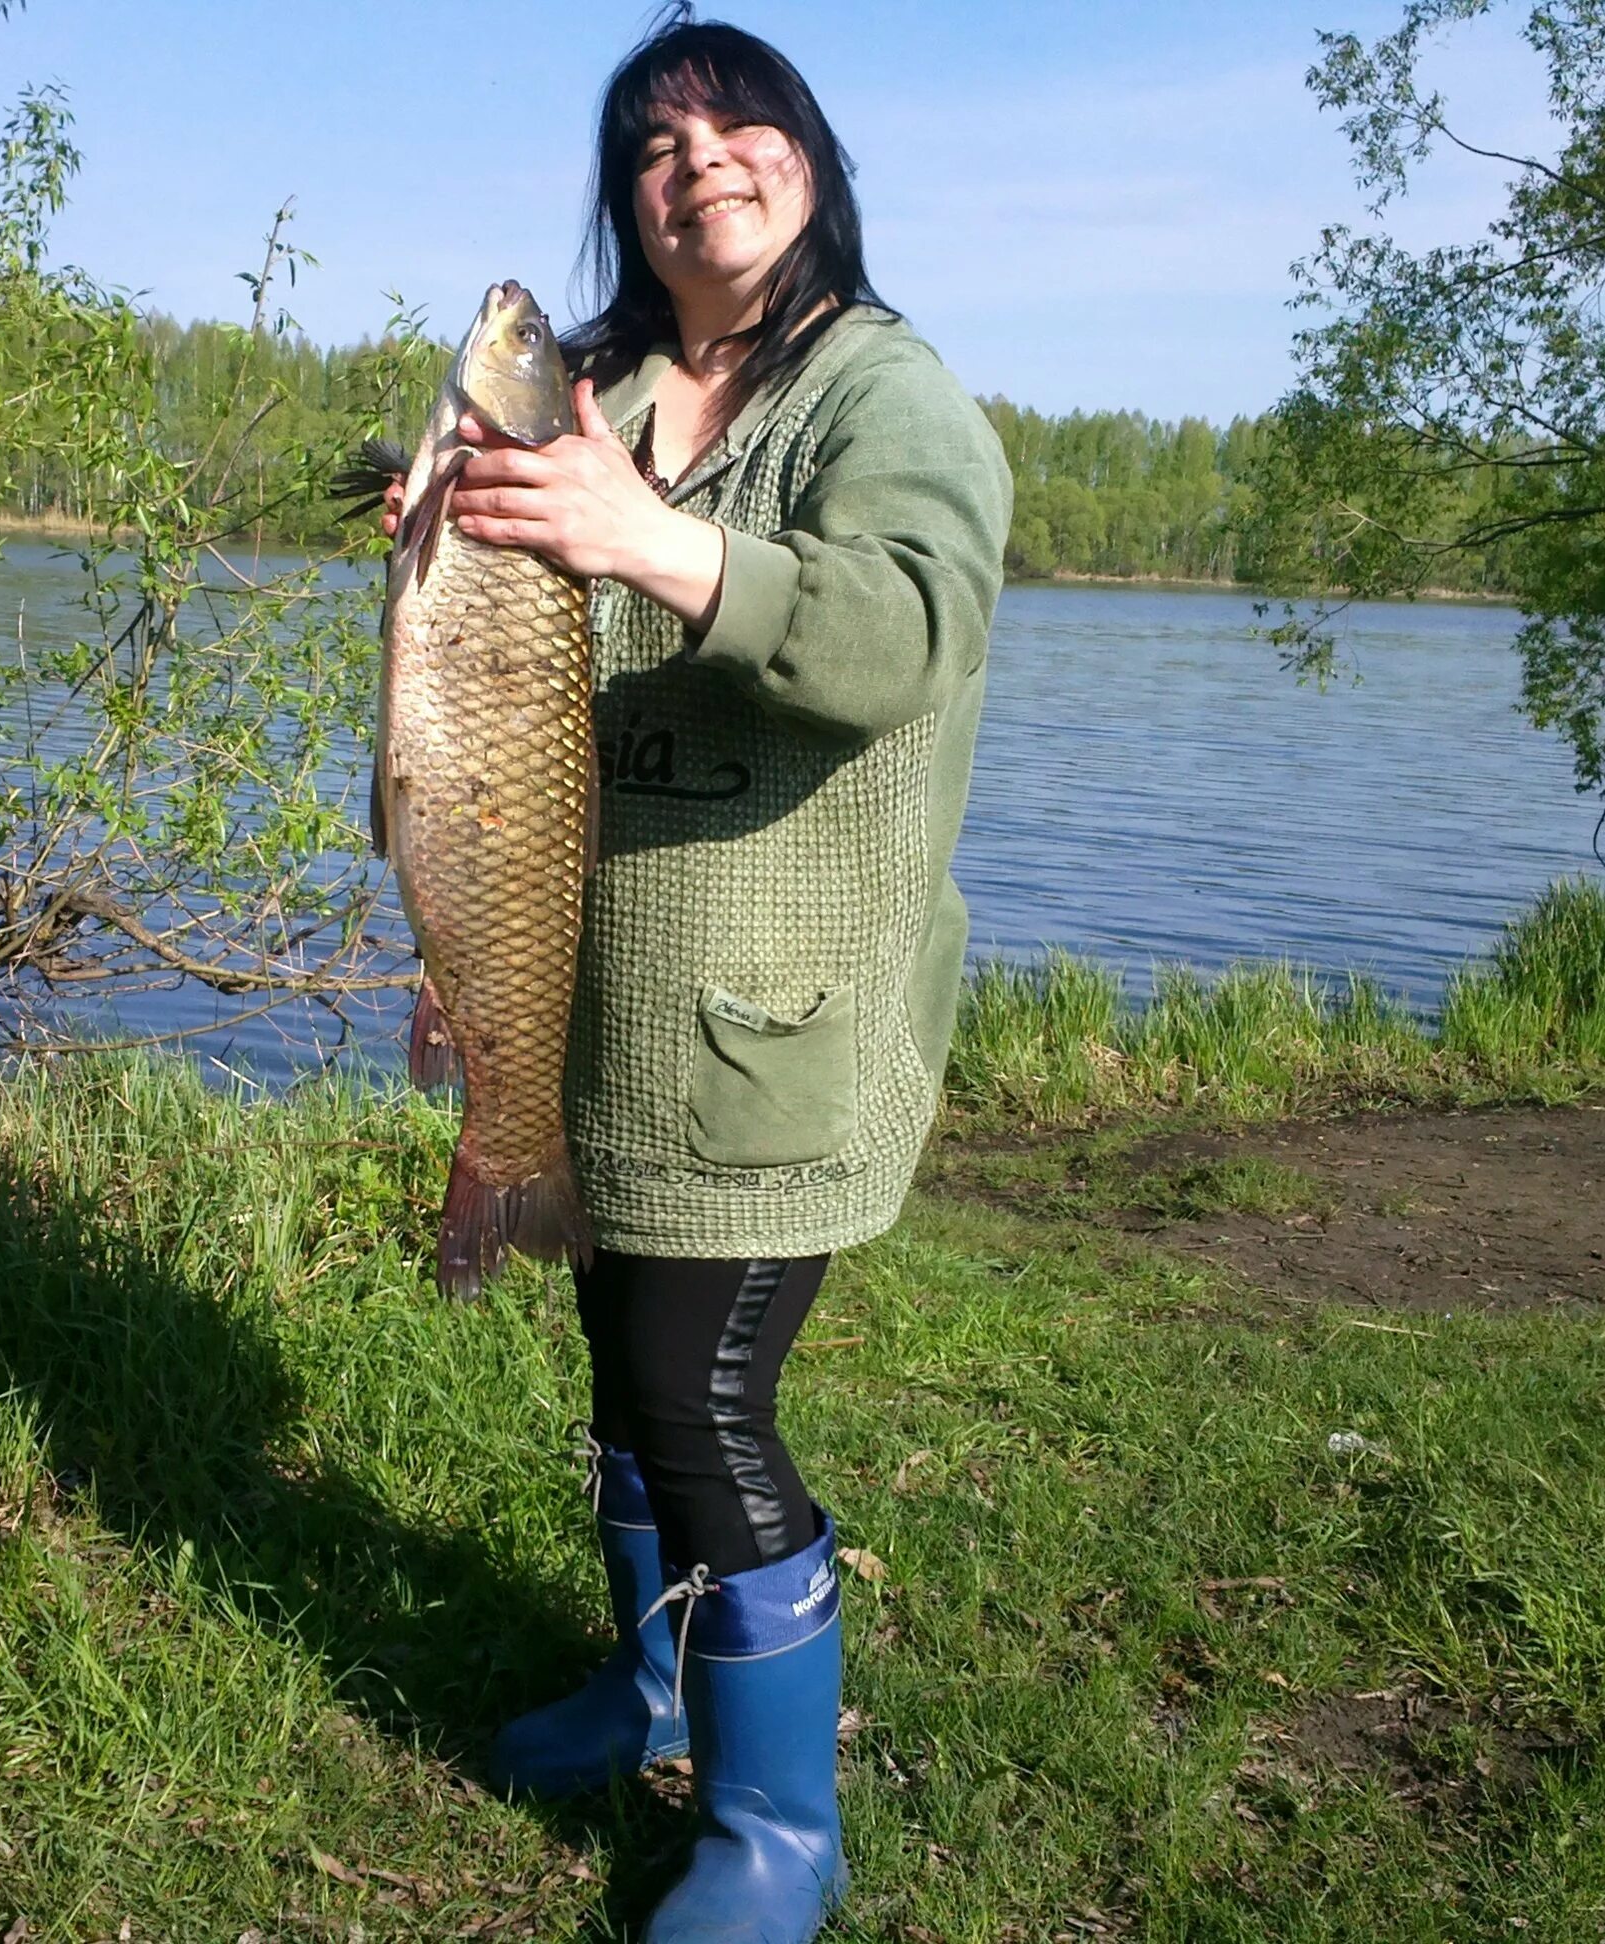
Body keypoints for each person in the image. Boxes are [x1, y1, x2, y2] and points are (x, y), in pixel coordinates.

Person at [389, 16, 1008, 1941]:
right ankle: (646, 1686)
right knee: (614, 1377)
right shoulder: (588, 390)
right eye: (653, 146)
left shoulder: (890, 396)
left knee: (698, 1391)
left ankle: (773, 1836)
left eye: (740, 125)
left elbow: (908, 631)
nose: (700, 162)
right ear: (625, 201)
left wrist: (651, 542)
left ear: (809, 161)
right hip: (575, 997)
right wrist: (467, 958)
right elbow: (481, 722)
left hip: (777, 1025)